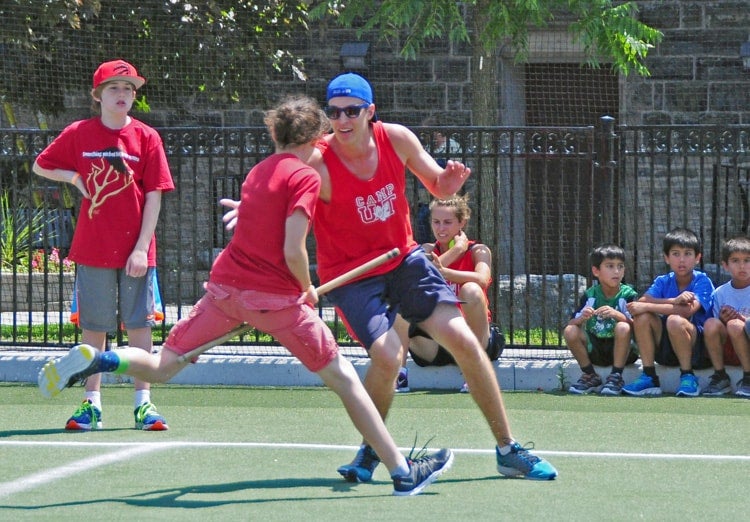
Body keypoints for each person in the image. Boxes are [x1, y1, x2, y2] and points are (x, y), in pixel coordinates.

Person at [38, 95, 453, 497]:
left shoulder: (258, 172)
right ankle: (402, 472)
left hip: (225, 291)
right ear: (315, 140)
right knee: (346, 380)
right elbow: (293, 248)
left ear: (274, 133)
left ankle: (103, 358)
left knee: (164, 366)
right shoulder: (305, 176)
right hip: (275, 302)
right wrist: (305, 288)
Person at [306, 72, 557, 482]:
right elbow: (286, 191)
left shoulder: (396, 138)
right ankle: (372, 451)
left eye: (352, 110)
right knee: (388, 357)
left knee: (465, 341)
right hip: (353, 276)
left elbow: (436, 182)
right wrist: (256, 209)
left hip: (403, 260)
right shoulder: (318, 159)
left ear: (370, 111)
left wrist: (448, 181)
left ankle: (507, 450)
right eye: (334, 112)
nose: (342, 119)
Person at [32, 60, 174, 431]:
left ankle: (144, 404)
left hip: (136, 253)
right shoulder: (80, 133)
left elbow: (156, 194)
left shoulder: (147, 137)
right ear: (98, 96)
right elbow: (40, 165)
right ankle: (90, 405)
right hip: (93, 248)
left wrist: (142, 247)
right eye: (114, 88)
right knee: (93, 329)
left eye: (129, 88)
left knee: (139, 327)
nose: (122, 94)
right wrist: (74, 176)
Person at [397, 194, 504, 393]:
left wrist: (447, 271)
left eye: (447, 222)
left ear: (461, 222)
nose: (441, 228)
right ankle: (400, 375)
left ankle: (475, 374)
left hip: (476, 340)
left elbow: (482, 279)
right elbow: (416, 277)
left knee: (471, 290)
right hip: (437, 343)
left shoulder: (478, 251)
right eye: (436, 222)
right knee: (401, 301)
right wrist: (456, 251)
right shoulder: (427, 250)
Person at [623, 227, 714, 397]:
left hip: (695, 347)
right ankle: (649, 375)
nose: (682, 259)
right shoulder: (662, 281)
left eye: (687, 254)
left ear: (697, 258)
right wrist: (674, 300)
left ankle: (688, 376)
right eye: (675, 253)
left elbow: (687, 311)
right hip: (665, 345)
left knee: (675, 320)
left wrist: (650, 305)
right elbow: (642, 302)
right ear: (666, 258)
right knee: (643, 317)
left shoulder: (703, 281)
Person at [564, 244, 639, 396]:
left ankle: (616, 376)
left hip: (624, 351)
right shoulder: (590, 295)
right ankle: (590, 375)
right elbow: (571, 323)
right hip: (595, 349)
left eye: (620, 266)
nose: (616, 271)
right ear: (596, 271)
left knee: (623, 327)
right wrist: (582, 318)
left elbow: (637, 326)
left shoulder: (628, 295)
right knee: (570, 331)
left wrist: (617, 315)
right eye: (610, 266)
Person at [702, 236, 750, 397]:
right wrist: (723, 320)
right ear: (725, 265)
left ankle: (748, 378)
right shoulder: (720, 293)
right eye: (735, 261)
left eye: (747, 260)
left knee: (735, 325)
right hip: (728, 348)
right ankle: (720, 376)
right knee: (710, 323)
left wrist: (745, 322)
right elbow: (714, 328)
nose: (742, 266)